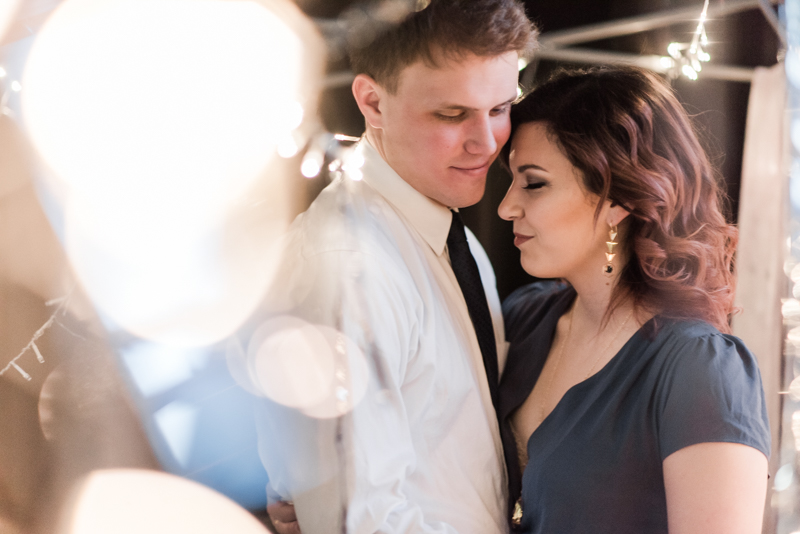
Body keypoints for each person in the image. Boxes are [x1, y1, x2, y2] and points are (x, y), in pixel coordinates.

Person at [256, 2, 538, 533]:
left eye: (501, 108)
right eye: (453, 115)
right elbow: (358, 521)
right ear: (372, 102)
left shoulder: (453, 236)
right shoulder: (350, 265)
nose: (486, 142)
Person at [496, 65, 771, 534]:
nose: (505, 206)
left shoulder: (698, 367)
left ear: (618, 197)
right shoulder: (522, 318)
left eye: (534, 182)